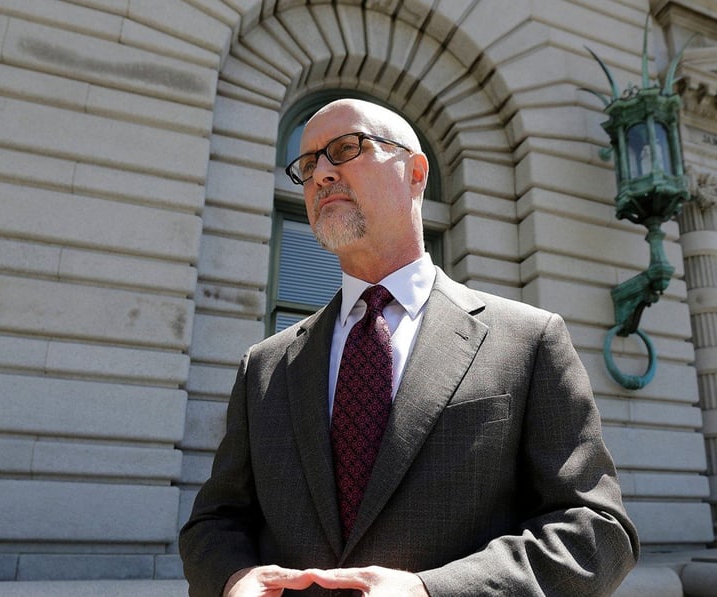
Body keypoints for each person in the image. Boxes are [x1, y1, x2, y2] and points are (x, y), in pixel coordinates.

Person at [179, 98, 639, 597]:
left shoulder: (528, 339)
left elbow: (596, 531)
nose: (321, 174)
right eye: (308, 164)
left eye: (344, 148)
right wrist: (233, 579)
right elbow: (214, 521)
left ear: (416, 172)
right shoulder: (264, 366)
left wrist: (432, 592)